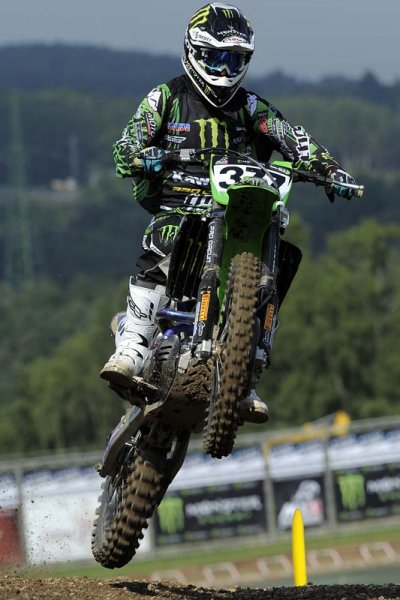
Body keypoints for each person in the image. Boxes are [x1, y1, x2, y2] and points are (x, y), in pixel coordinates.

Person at [100, 2, 358, 423]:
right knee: (166, 237)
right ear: (194, 51)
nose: (224, 68)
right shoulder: (166, 97)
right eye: (216, 57)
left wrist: (329, 169)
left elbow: (294, 140)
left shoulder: (251, 107)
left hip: (239, 208)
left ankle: (245, 370)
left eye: (234, 59)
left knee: (280, 258)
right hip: (181, 202)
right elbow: (127, 142)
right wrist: (139, 155)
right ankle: (134, 344)